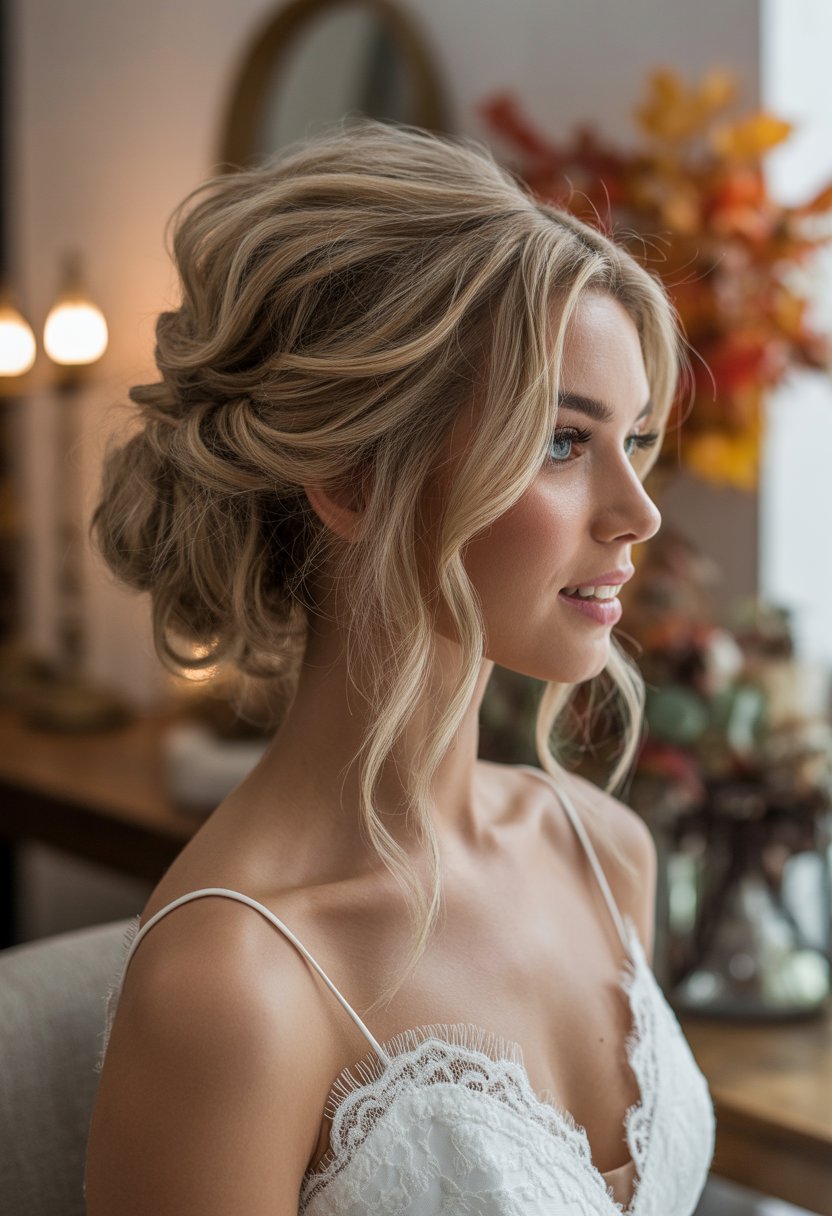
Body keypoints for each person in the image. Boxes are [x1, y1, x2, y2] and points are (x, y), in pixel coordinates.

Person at [83, 119, 715, 1215]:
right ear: (355, 479)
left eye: (637, 438)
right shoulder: (232, 983)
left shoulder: (601, 853)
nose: (639, 511)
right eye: (563, 441)